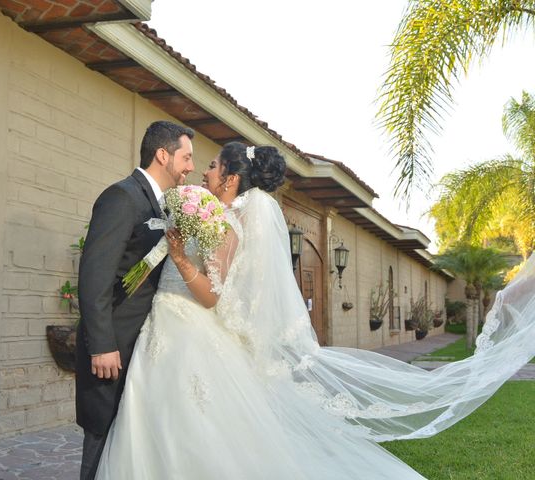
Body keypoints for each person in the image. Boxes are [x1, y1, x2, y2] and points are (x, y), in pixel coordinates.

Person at [94, 142, 535, 479]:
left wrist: (182, 257)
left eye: (212, 165)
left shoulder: (224, 224)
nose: (204, 170)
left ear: (230, 178)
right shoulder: (215, 215)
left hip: (186, 330)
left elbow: (214, 296)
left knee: (185, 424)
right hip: (170, 327)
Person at [76, 120, 194, 480]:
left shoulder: (160, 206)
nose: (190, 167)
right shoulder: (122, 197)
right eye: (186, 157)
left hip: (142, 347)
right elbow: (95, 276)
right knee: (101, 443)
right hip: (113, 347)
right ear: (163, 154)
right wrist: (101, 345)